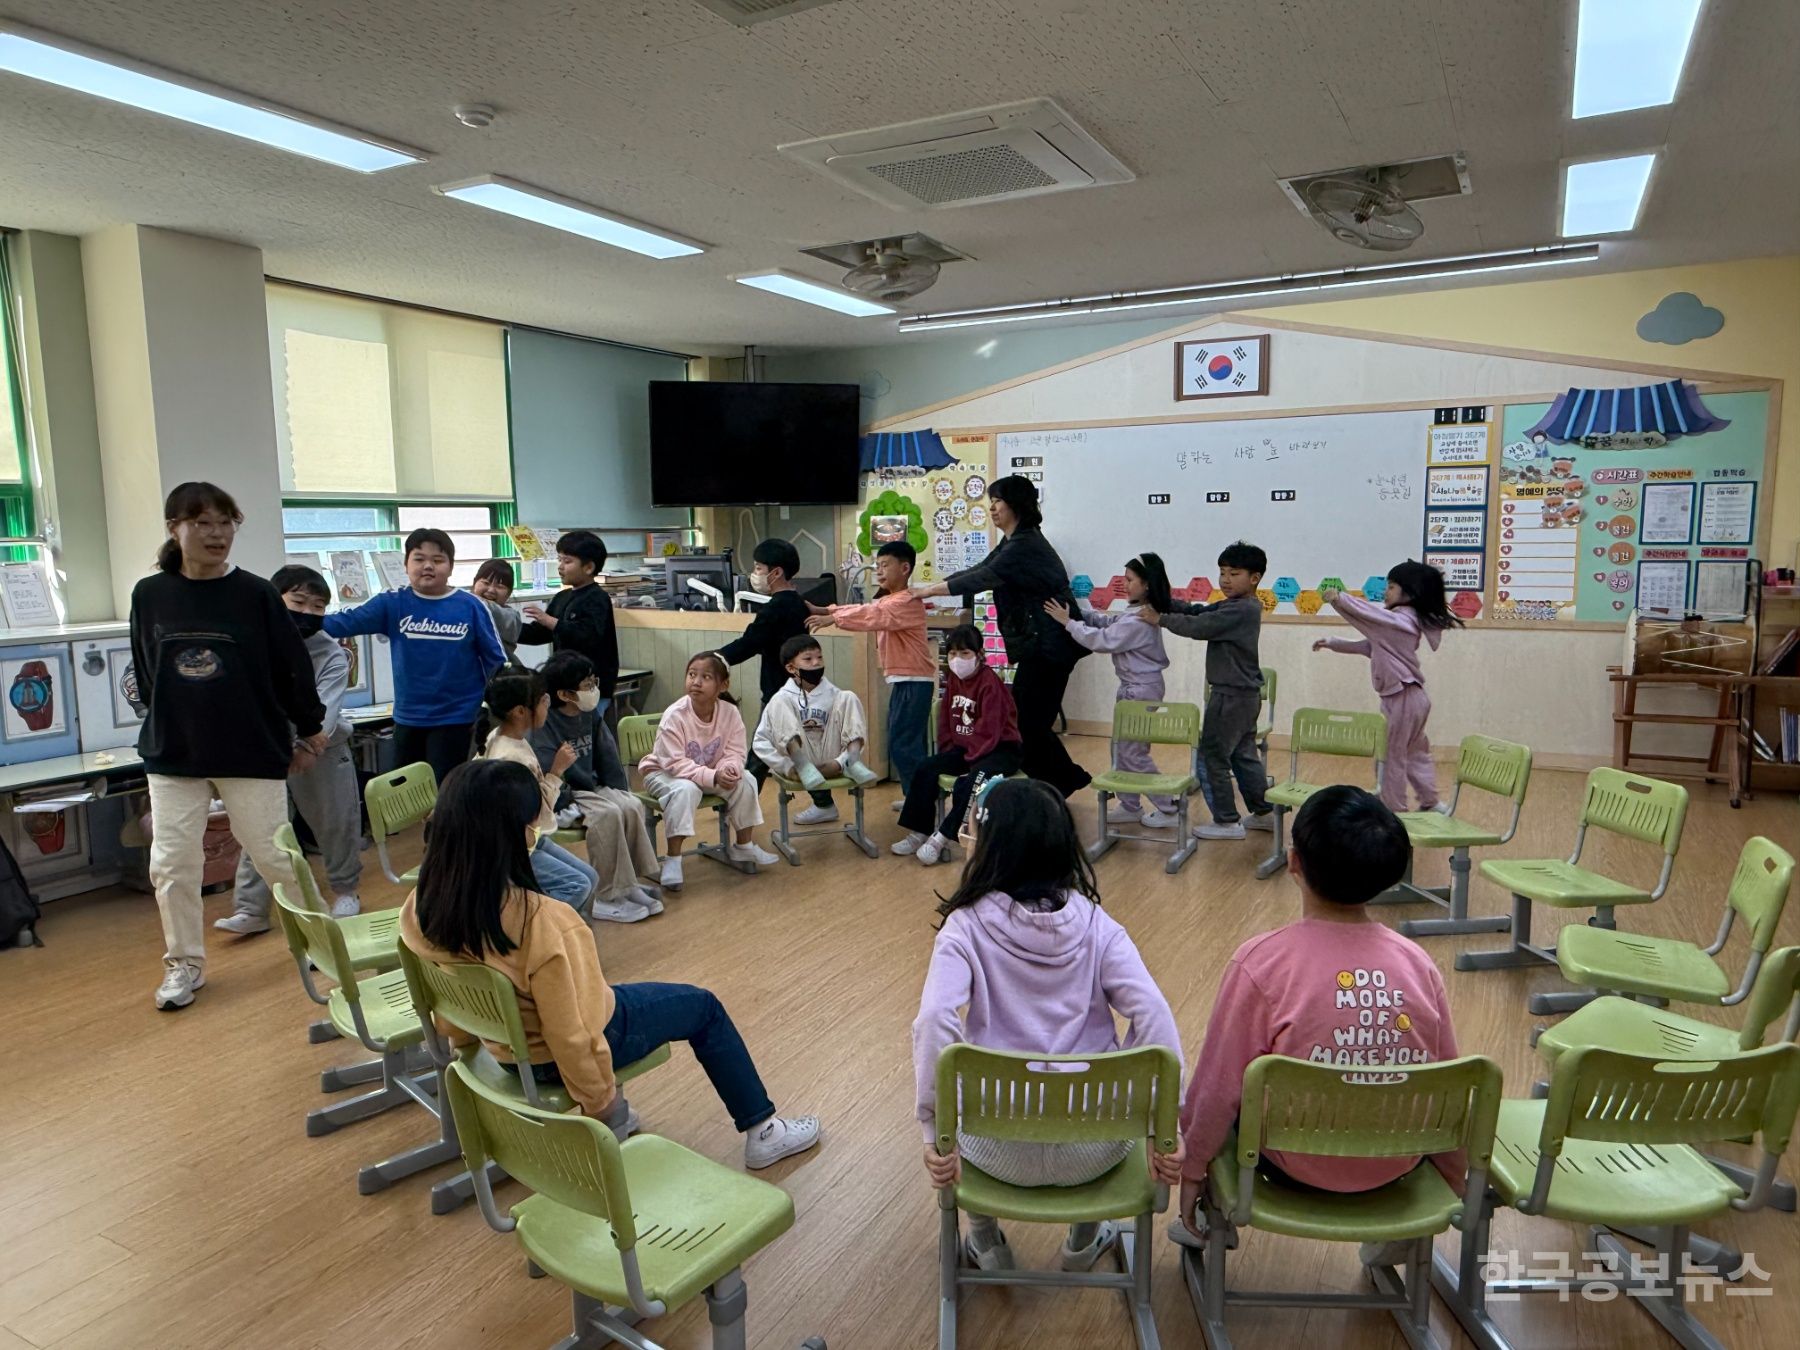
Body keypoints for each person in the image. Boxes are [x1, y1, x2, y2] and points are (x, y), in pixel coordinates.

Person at [400, 758, 822, 1169]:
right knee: (703, 1007)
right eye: (532, 826)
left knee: (613, 995)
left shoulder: (421, 904)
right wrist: (604, 1108)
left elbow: (447, 997)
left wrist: (467, 1047)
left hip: (503, 1049)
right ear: (511, 837)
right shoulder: (542, 921)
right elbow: (573, 1035)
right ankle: (765, 1133)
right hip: (555, 1055)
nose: (535, 834)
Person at [914, 778, 1185, 1272]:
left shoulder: (965, 927)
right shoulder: (1098, 925)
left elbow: (933, 1020)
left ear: (988, 848)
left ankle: (986, 1243)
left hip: (993, 1149)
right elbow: (1153, 1014)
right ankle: (1083, 1241)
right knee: (1097, 1086)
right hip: (1095, 1146)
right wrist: (1164, 1126)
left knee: (965, 1102)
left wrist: (936, 1131)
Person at [1177, 785, 1463, 1253]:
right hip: (1396, 1163)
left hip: (1289, 1168)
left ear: (1294, 863)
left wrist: (1191, 1172)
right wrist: (1452, 1178)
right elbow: (1448, 1083)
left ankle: (1214, 1226)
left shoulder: (1261, 962)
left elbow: (1216, 1088)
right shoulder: (1418, 965)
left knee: (1226, 1102)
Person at [129, 482, 325, 1010]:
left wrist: (308, 727)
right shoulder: (150, 594)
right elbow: (147, 671)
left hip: (249, 748)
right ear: (175, 528)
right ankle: (183, 965)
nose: (217, 534)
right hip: (174, 751)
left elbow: (291, 668)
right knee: (171, 864)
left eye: (226, 522)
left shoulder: (256, 593)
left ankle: (323, 945)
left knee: (275, 855)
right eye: (202, 523)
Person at [911, 476, 1090, 798]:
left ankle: (1060, 784)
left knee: (1026, 724)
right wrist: (935, 591)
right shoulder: (1014, 541)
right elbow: (979, 568)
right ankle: (1061, 782)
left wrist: (927, 590)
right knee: (1028, 723)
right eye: (991, 501)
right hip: (1040, 645)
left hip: (1051, 646)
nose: (992, 507)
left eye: (998, 501)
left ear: (1016, 504)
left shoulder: (1026, 545)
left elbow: (981, 578)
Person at [216, 564, 364, 934]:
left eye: (318, 607)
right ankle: (251, 909)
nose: (308, 613)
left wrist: (307, 747)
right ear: (274, 599)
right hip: (268, 749)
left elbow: (326, 710)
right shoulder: (252, 640)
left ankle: (346, 891)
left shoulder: (330, 652)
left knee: (335, 823)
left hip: (322, 750)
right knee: (262, 829)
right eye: (298, 602)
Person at [326, 527, 504, 789]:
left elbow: (496, 662)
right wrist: (294, 616)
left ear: (451, 567)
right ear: (406, 564)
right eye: (419, 559)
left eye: (438, 560)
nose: (428, 566)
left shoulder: (471, 605)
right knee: (406, 794)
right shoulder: (392, 603)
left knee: (445, 793)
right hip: (408, 717)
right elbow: (343, 623)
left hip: (457, 718)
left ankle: (441, 831)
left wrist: (499, 710)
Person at [1141, 541, 1272, 840]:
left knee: (1212, 756)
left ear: (1255, 578)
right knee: (1243, 755)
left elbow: (1201, 627)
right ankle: (1264, 812)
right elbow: (1199, 612)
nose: (1225, 579)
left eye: (1234, 573)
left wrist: (1160, 618)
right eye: (1222, 572)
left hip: (1231, 695)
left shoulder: (1242, 609)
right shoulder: (1236, 604)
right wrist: (1166, 602)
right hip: (1243, 695)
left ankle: (1226, 821)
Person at [1314, 560, 1462, 813]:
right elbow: (1369, 646)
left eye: (1391, 586)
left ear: (1409, 594)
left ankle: (1393, 810)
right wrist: (1333, 642)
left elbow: (1369, 615)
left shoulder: (1398, 623)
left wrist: (1339, 599)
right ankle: (1431, 802)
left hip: (1402, 698)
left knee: (1391, 756)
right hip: (1411, 698)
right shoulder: (1402, 624)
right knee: (1414, 752)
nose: (1385, 592)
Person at [1044, 551, 1179, 828]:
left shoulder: (1140, 620)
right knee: (1121, 748)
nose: (1125, 584)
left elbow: (1102, 640)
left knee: (1134, 753)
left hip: (1141, 692)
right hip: (1134, 689)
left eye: (1130, 580)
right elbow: (1109, 623)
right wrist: (1082, 614)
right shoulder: (1135, 614)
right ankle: (1130, 805)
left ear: (1147, 585)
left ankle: (1169, 807)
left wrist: (1068, 622)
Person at [530, 651, 663, 919]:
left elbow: (607, 755)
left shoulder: (588, 714)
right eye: (587, 685)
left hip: (590, 788)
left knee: (630, 804)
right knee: (607, 814)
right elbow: (547, 771)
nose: (593, 690)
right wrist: (565, 803)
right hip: (564, 796)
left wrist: (618, 790)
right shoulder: (546, 724)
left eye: (594, 682)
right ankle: (605, 894)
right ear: (565, 694)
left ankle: (628, 884)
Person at [809, 541, 934, 809]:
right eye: (877, 565)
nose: (878, 570)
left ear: (905, 568)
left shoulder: (906, 601)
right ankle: (918, 799)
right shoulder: (891, 599)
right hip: (907, 682)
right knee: (906, 746)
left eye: (884, 565)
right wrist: (828, 611)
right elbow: (871, 608)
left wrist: (833, 617)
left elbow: (872, 614)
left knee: (904, 748)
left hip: (913, 683)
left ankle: (921, 809)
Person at [718, 539, 836, 820]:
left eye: (759, 567)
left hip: (778, 691)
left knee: (761, 749)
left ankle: (740, 805)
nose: (754, 573)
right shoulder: (797, 602)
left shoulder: (775, 608)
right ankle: (823, 803)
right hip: (800, 688)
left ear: (776, 572)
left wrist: (716, 659)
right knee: (796, 749)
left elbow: (750, 642)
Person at [637, 652, 777, 889]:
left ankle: (743, 846)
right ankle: (673, 859)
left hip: (705, 772)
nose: (696, 682)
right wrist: (713, 776)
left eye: (705, 677)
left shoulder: (730, 712)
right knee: (685, 790)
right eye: (692, 675)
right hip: (662, 773)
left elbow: (735, 751)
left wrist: (730, 769)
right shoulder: (675, 715)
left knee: (746, 779)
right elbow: (674, 763)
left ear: (723, 685)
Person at [473, 671, 607, 917]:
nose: (548, 703)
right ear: (520, 711)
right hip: (511, 846)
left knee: (590, 877)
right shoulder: (511, 758)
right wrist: (556, 771)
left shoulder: (503, 737)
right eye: (542, 699)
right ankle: (529, 925)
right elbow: (535, 809)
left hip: (529, 837)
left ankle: (564, 930)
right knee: (578, 886)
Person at [894, 625, 1021, 867]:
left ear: (979, 654)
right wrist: (950, 753)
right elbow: (946, 720)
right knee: (926, 768)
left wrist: (971, 760)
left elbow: (990, 728)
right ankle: (919, 831)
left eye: (964, 653)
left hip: (1000, 749)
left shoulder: (990, 682)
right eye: (952, 654)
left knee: (970, 782)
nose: (957, 660)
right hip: (969, 748)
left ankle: (941, 838)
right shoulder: (954, 680)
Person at [752, 635, 880, 792]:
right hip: (797, 762)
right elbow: (760, 742)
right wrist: (787, 768)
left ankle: (851, 762)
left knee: (849, 696)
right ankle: (803, 765)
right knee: (779, 701)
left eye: (819, 657)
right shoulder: (782, 698)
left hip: (832, 758)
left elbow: (851, 728)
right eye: (808, 659)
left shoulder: (835, 695)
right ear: (791, 668)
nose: (816, 662)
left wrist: (839, 762)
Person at [518, 530, 620, 712]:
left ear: (588, 568)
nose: (560, 567)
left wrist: (551, 622)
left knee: (587, 735)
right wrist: (505, 629)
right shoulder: (561, 597)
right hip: (565, 686)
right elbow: (539, 634)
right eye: (559, 560)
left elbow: (588, 635)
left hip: (590, 688)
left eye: (567, 561)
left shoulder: (598, 598)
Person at [469, 559, 522, 664]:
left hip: (498, 674)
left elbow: (488, 609)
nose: (491, 590)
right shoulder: (465, 606)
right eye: (486, 583)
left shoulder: (511, 617)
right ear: (474, 583)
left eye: (500, 586)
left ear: (509, 593)